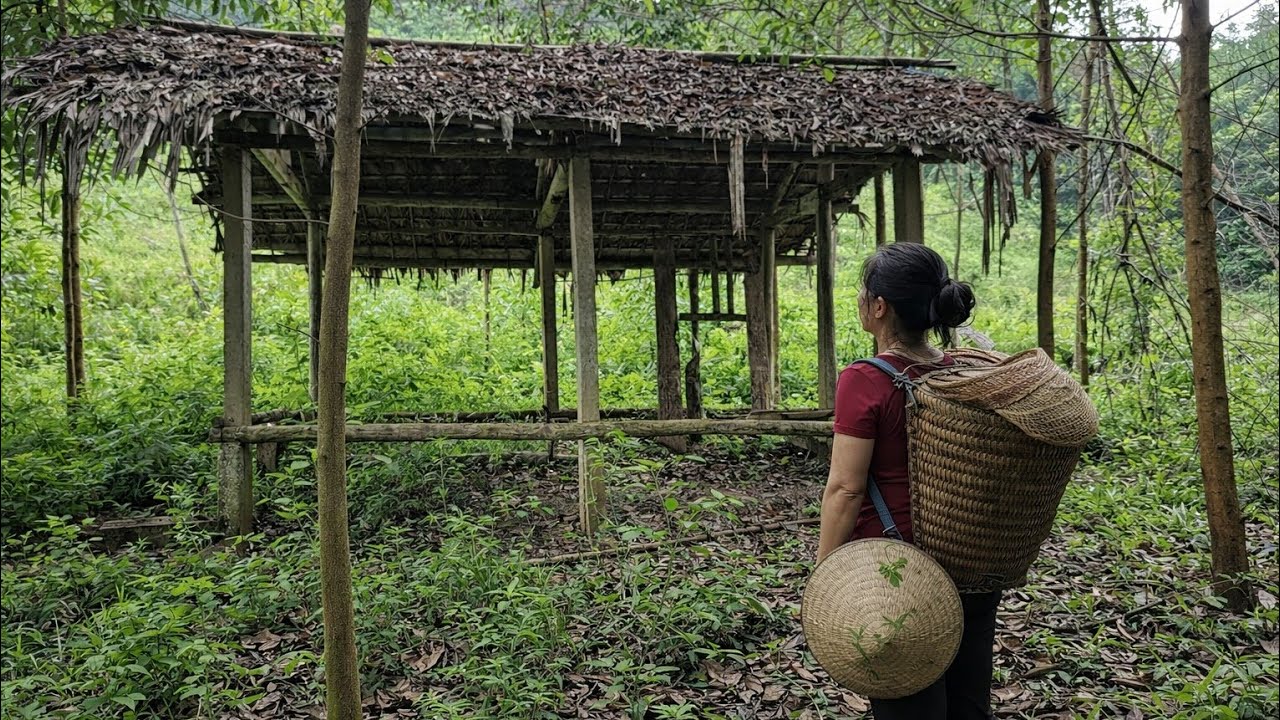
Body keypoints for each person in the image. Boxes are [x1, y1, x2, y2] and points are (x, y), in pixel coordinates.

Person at [815, 242, 1000, 720]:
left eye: (864, 292)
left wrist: (824, 576)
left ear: (879, 307)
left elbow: (846, 489)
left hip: (899, 578)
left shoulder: (865, 379)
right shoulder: (959, 371)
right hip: (970, 562)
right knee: (968, 708)